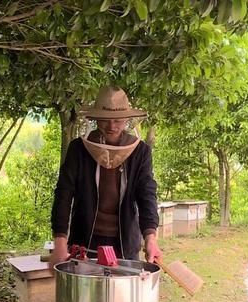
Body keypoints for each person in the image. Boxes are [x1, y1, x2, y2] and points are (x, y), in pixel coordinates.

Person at [48, 86, 163, 268]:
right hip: (84, 245)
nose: (111, 126)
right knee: (84, 296)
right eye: (105, 120)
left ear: (127, 119)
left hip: (125, 246)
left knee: (123, 296)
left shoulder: (140, 152)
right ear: (95, 118)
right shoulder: (78, 150)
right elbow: (64, 194)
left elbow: (146, 194)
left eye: (117, 120)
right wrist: (60, 242)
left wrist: (150, 238)